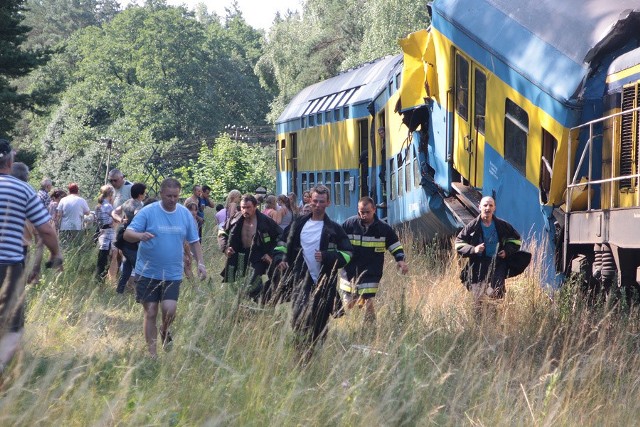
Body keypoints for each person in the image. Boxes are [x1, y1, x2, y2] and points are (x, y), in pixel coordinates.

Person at [124, 178, 206, 357]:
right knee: (151, 311)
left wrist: (200, 262)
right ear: (161, 194)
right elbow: (127, 234)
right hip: (147, 271)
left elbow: (194, 241)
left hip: (172, 272)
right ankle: (152, 354)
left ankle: (165, 329)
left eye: (176, 196)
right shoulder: (148, 212)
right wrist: (140, 235)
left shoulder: (184, 214)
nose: (172, 199)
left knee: (169, 310)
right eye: (169, 196)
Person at [0, 139, 63, 374]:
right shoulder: (22, 189)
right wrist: (56, 253)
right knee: (12, 325)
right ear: (10, 160)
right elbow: (46, 229)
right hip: (8, 266)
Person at [277, 185, 353, 354]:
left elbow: (348, 254)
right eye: (315, 201)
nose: (317, 205)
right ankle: (299, 352)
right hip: (300, 280)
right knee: (299, 314)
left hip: (324, 283)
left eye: (321, 202)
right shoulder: (298, 225)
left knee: (319, 320)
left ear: (328, 203)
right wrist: (281, 260)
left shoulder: (335, 229)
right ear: (309, 201)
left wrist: (328, 257)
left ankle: (314, 353)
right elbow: (282, 243)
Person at [340, 197, 409, 321]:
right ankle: (353, 319)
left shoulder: (384, 229)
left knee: (368, 301)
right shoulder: (348, 225)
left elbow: (395, 245)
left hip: (371, 271)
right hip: (349, 271)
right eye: (361, 212)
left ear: (374, 210)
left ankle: (370, 327)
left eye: (367, 212)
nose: (364, 215)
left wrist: (401, 260)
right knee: (350, 303)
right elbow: (336, 241)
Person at [455, 196, 521, 316]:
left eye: (490, 205)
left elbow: (516, 240)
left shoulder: (502, 225)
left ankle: (494, 321)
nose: (487, 208)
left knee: (496, 292)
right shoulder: (472, 226)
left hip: (497, 264)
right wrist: (473, 249)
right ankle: (479, 325)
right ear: (480, 207)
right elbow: (458, 244)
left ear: (494, 208)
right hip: (478, 265)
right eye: (485, 205)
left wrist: (507, 251)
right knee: (478, 297)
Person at [218, 195, 282, 301]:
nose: (245, 210)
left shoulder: (265, 221)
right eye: (243, 207)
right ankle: (244, 306)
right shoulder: (235, 219)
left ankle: (259, 303)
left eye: (248, 207)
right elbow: (222, 232)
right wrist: (225, 248)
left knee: (254, 284)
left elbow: (280, 237)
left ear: (255, 206)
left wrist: (270, 254)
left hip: (258, 256)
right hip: (239, 254)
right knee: (235, 284)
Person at [113, 183, 146, 294]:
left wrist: (120, 220)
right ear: (140, 194)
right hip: (132, 240)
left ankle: (119, 291)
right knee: (140, 268)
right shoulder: (139, 205)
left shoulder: (126, 202)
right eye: (144, 192)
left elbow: (114, 212)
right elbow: (138, 215)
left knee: (127, 268)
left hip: (123, 239)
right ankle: (141, 294)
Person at [56, 183, 90, 247]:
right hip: (77, 226)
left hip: (65, 226)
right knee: (76, 246)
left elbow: (59, 214)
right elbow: (88, 212)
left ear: (69, 191)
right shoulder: (82, 200)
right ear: (78, 190)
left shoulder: (63, 200)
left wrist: (57, 226)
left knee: (64, 246)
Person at [95, 184, 115, 281]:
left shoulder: (99, 205)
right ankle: (102, 277)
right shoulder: (108, 206)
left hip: (102, 233)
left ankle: (99, 277)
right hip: (109, 234)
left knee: (102, 256)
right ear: (110, 194)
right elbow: (114, 219)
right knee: (107, 257)